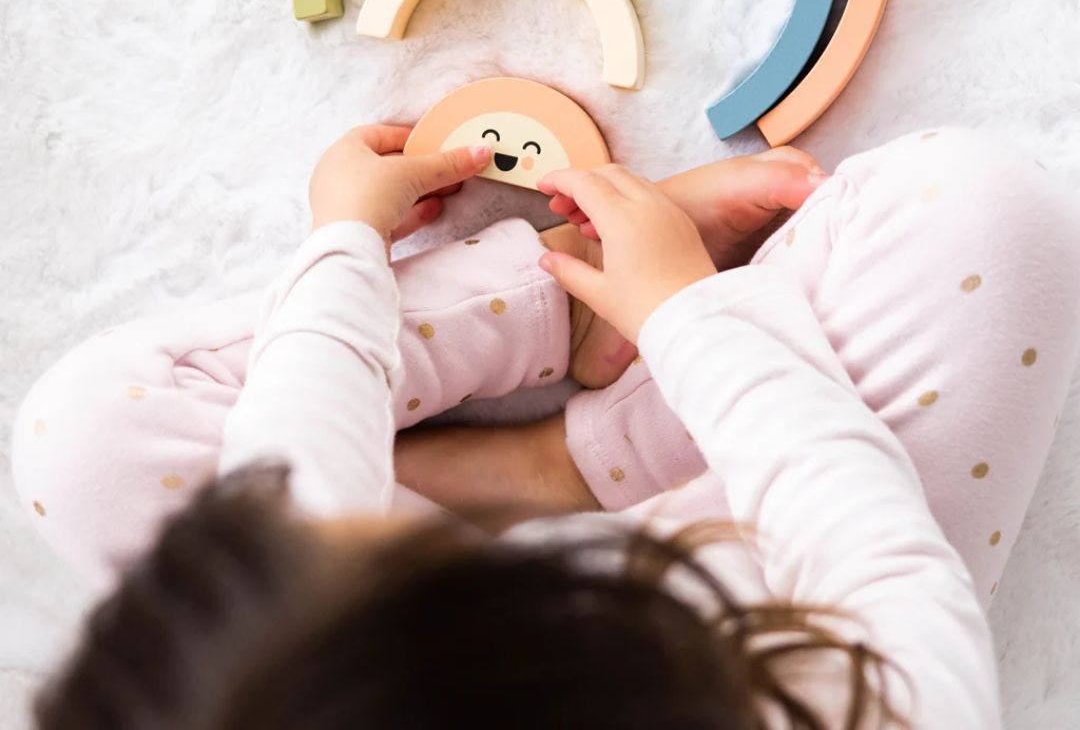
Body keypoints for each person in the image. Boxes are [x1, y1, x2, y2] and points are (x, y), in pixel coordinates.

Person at [15, 123, 1080, 728]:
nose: (315, 506)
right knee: (984, 212)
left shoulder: (296, 661)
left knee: (87, 441)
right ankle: (598, 422)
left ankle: (559, 324)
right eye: (395, 551)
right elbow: (864, 532)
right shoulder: (875, 702)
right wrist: (681, 311)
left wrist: (346, 240)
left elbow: (288, 494)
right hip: (793, 571)